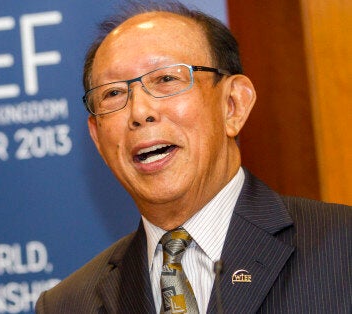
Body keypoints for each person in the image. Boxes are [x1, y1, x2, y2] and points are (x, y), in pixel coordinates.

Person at [36, 1, 351, 313]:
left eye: (166, 79)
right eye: (114, 93)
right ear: (97, 136)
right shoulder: (69, 303)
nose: (140, 112)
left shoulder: (342, 248)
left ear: (233, 105)